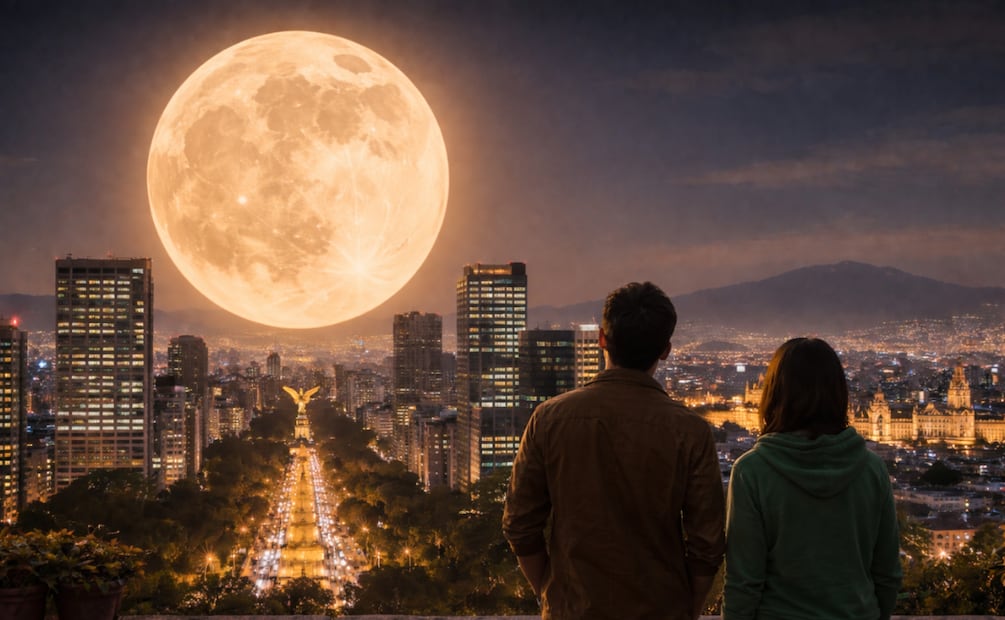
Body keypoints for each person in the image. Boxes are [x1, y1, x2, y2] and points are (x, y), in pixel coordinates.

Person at [502, 281, 726, 620]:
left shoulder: (550, 419)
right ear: (665, 350)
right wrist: (688, 609)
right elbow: (707, 544)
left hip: (572, 609)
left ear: (602, 340)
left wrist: (550, 590)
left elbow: (519, 524)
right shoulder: (690, 431)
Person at [722, 337, 902, 620]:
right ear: (839, 393)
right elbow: (888, 574)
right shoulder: (872, 469)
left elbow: (743, 582)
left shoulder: (752, 471)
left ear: (774, 393)